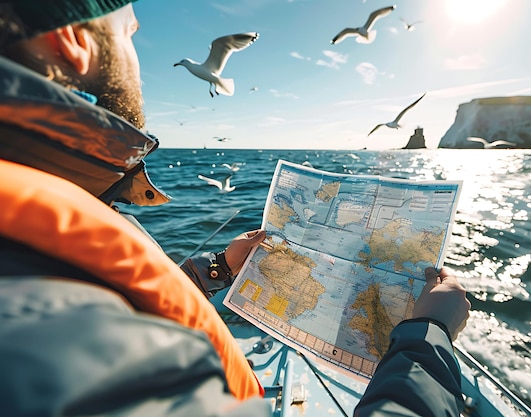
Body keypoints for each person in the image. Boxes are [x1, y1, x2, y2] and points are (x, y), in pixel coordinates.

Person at [0, 1, 471, 416]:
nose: (140, 59)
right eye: (130, 34)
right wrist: (428, 335)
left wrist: (217, 269)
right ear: (71, 40)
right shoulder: (39, 308)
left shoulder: (49, 199)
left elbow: (115, 302)